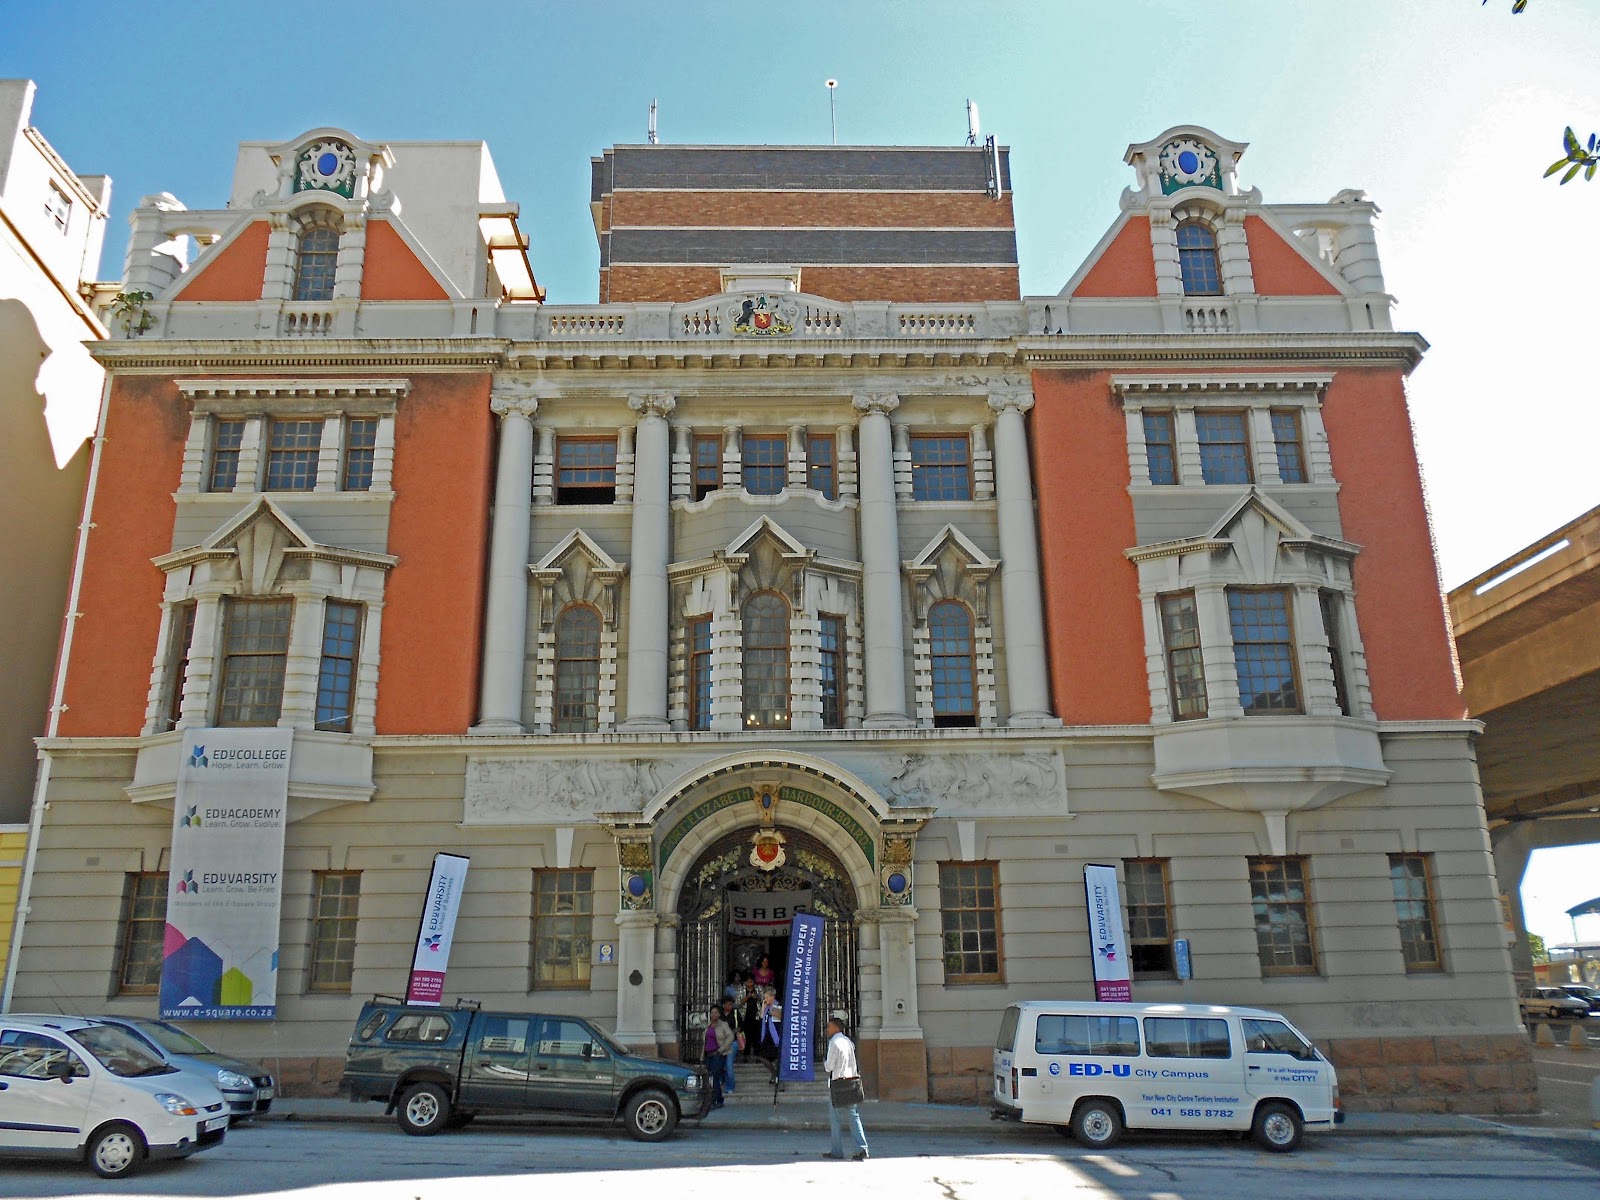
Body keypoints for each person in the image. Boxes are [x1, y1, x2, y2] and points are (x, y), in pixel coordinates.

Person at [821, 1016, 868, 1162]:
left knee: (835, 1119)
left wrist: (824, 1063)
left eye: (828, 1026)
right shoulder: (848, 1042)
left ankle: (837, 1151)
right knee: (854, 1117)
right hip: (851, 1082)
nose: (827, 1030)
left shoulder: (834, 1043)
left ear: (836, 1028)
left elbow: (829, 1067)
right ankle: (862, 1148)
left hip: (838, 1084)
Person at [705, 1004, 734, 1109]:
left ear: (719, 1014)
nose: (714, 1015)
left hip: (718, 1054)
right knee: (710, 1078)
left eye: (716, 1012)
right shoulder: (708, 1025)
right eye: (712, 1013)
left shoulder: (723, 1025)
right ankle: (715, 1099)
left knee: (715, 1077)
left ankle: (717, 1100)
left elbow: (730, 1036)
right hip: (708, 1054)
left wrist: (721, 1049)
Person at [755, 986, 782, 1078]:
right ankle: (773, 1073)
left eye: (767, 997)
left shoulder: (777, 1005)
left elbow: (780, 1017)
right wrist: (763, 1007)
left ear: (772, 997)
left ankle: (778, 1076)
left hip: (774, 1035)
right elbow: (762, 1018)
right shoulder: (766, 1007)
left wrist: (772, 1013)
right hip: (766, 1035)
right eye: (764, 997)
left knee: (776, 1057)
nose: (765, 999)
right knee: (762, 1056)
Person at [718, 997, 742, 1095]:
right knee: (720, 1064)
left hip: (732, 1042)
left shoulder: (736, 1013)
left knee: (729, 1064)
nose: (730, 1006)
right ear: (723, 1005)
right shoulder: (719, 1014)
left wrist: (731, 1032)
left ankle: (730, 1087)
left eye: (731, 1004)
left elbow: (741, 1026)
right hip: (720, 1043)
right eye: (728, 1005)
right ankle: (722, 1079)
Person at [740, 977, 761, 1062]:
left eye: (751, 981)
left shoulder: (758, 988)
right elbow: (738, 1003)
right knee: (747, 1037)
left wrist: (757, 996)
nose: (749, 984)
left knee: (756, 1037)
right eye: (747, 982)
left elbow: (763, 1000)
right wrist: (747, 997)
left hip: (756, 1015)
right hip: (745, 1016)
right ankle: (746, 1055)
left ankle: (757, 1056)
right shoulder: (741, 990)